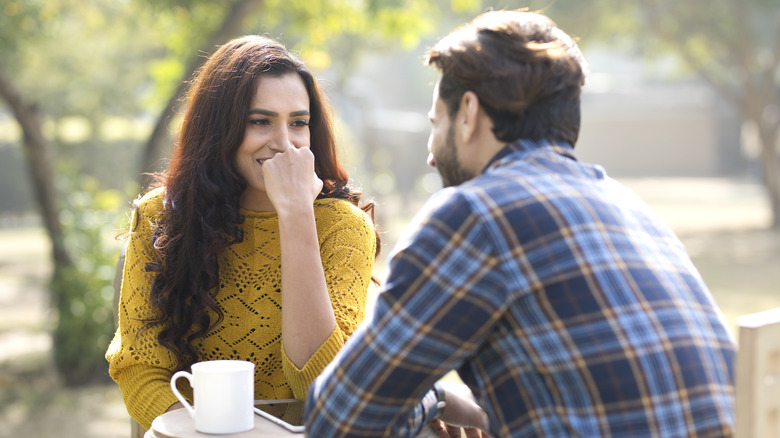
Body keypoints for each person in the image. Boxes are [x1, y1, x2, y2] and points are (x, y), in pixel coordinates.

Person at [304, 10, 736, 437]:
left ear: (468, 113)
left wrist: (434, 398)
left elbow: (339, 418)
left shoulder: (472, 214)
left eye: (436, 124)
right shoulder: (628, 206)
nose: (431, 155)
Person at [105, 35, 379, 430]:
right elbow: (140, 369)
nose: (284, 144)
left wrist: (296, 214)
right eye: (260, 121)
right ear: (219, 129)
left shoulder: (343, 227)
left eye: (298, 123)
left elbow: (323, 386)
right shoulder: (160, 216)